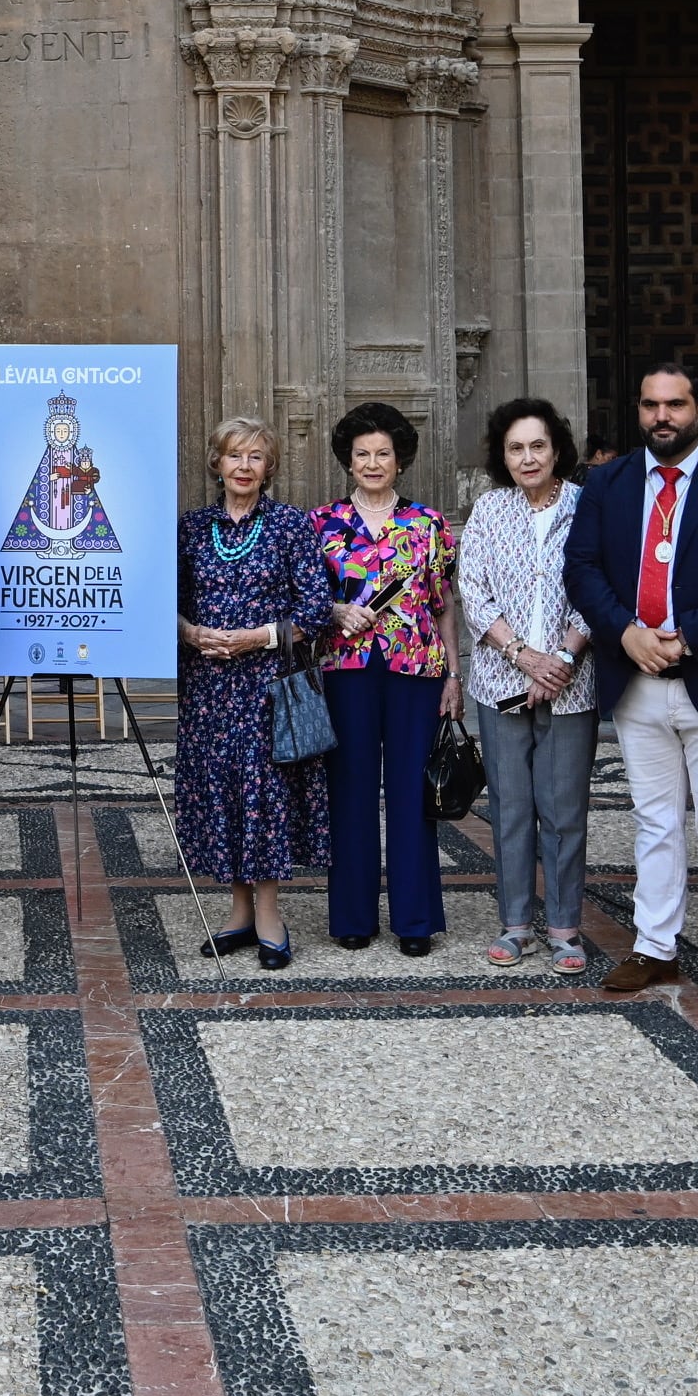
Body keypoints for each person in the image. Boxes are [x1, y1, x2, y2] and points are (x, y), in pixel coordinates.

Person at [565, 355, 698, 1006]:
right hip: (636, 676)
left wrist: (687, 636)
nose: (662, 417)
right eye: (651, 405)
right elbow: (582, 569)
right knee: (654, 820)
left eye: (676, 405)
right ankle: (654, 948)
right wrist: (626, 633)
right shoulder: (607, 486)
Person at [176, 418, 334, 970]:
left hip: (267, 690)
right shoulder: (192, 528)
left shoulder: (290, 525)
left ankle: (270, 914)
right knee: (221, 794)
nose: (244, 466)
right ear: (217, 463)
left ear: (270, 468)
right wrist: (190, 633)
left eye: (256, 457)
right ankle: (238, 912)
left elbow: (315, 609)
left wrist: (253, 639)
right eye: (234, 455)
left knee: (264, 798)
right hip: (208, 690)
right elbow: (162, 601)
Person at [312, 400, 459, 956]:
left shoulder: (428, 525)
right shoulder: (322, 523)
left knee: (409, 794)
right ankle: (352, 915)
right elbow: (307, 598)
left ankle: (415, 919)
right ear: (348, 462)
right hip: (346, 670)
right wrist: (333, 610)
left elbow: (444, 603)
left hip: (416, 669)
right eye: (362, 454)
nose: (373, 463)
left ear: (400, 461)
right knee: (348, 791)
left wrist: (453, 673)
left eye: (383, 454)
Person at [459, 399, 598, 974]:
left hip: (572, 683)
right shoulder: (489, 510)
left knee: (564, 810)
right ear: (503, 456)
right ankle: (515, 924)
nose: (528, 457)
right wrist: (524, 657)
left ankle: (565, 929)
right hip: (501, 682)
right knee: (512, 809)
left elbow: (599, 586)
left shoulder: (587, 507)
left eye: (537, 445)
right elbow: (473, 590)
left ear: (557, 448)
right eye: (516, 448)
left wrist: (562, 657)